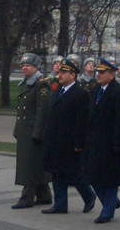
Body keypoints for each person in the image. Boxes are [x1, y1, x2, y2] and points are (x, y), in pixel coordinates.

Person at [41, 58, 96, 214]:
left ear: (73, 75)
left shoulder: (80, 93)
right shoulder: (59, 90)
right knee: (56, 172)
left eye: (64, 72)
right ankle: (60, 204)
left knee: (73, 173)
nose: (60, 75)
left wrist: (79, 143)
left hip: (69, 141)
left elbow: (82, 120)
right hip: (56, 139)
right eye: (60, 72)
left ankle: (89, 196)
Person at [82, 58, 120, 223]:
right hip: (94, 140)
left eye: (102, 72)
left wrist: (118, 142)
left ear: (111, 74)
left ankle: (107, 212)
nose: (98, 75)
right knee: (93, 176)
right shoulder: (95, 90)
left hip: (110, 141)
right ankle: (112, 202)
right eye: (98, 72)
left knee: (110, 178)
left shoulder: (119, 92)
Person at [11, 52, 53, 209]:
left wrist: (38, 132)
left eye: (28, 65)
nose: (24, 68)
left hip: (33, 131)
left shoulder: (41, 84)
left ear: (36, 67)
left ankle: (26, 198)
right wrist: (17, 129)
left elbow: (43, 110)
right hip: (25, 130)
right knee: (34, 164)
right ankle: (44, 195)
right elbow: (21, 110)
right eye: (23, 65)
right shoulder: (25, 84)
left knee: (29, 165)